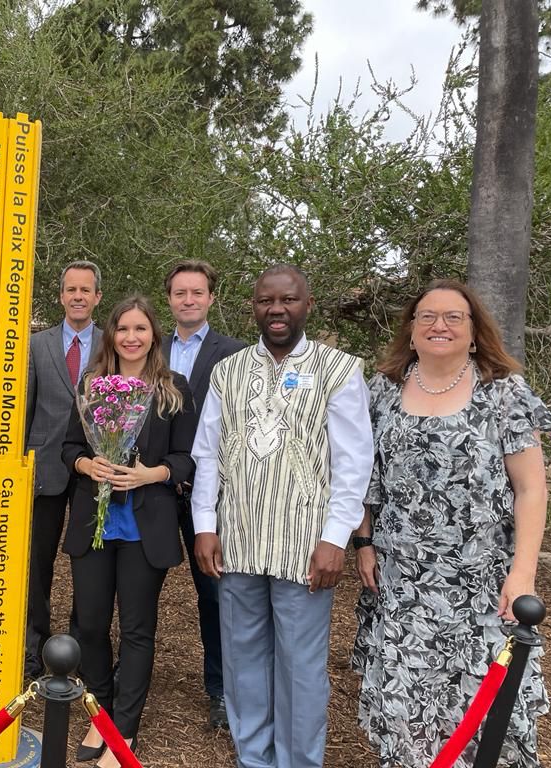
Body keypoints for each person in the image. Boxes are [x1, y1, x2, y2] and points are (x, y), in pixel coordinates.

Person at [351, 279, 551, 768]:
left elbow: (531, 489)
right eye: (427, 317)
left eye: (453, 317)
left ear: (475, 331)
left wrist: (522, 573)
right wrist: (364, 542)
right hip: (403, 585)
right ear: (412, 330)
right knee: (406, 710)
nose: (439, 325)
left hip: (481, 584)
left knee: (485, 710)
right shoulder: (382, 390)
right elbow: (363, 477)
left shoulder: (502, 393)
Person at [191, 265, 373, 768]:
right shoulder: (229, 371)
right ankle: (253, 757)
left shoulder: (339, 370)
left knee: (300, 667)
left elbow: (354, 465)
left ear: (306, 305)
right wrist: (205, 524)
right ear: (253, 305)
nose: (276, 309)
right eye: (266, 300)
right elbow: (208, 454)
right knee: (243, 660)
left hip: (306, 547)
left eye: (288, 300)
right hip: (238, 540)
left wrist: (336, 538)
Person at [62, 295, 196, 768]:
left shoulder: (172, 389)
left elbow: (187, 459)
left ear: (152, 336)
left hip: (145, 525)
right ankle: (100, 716)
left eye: (141, 329)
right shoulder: (91, 384)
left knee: (137, 629)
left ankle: (123, 731)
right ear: (111, 335)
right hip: (95, 522)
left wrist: (150, 474)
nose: (131, 337)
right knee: (92, 625)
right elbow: (68, 448)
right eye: (123, 329)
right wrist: (86, 463)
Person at [160, 260, 245, 729]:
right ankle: (126, 681)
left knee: (214, 594)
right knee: (135, 589)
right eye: (179, 293)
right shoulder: (149, 350)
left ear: (211, 298)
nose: (188, 300)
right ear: (168, 299)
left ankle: (221, 688)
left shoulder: (235, 355)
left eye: (196, 292)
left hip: (208, 494)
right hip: (153, 488)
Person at [23, 260, 103, 677]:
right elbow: (26, 409)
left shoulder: (113, 344)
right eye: (70, 289)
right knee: (36, 565)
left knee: (88, 564)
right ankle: (34, 648)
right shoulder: (37, 345)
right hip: (45, 471)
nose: (77, 296)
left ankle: (80, 648)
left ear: (96, 297)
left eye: (85, 290)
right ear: (60, 296)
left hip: (95, 470)